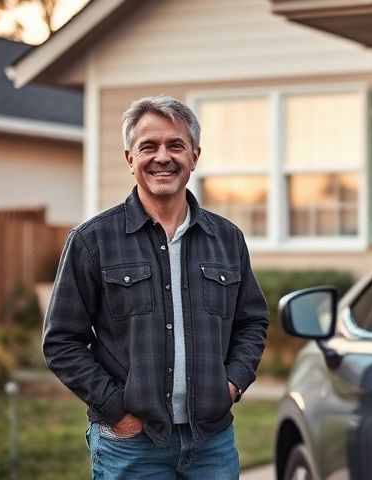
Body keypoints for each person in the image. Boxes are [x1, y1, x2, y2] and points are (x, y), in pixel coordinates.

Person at [43, 95, 269, 479]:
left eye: (175, 145)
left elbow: (252, 323)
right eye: (148, 146)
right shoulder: (92, 241)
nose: (162, 156)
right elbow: (61, 342)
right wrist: (118, 410)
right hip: (131, 446)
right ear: (130, 159)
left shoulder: (228, 239)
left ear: (194, 156)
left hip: (211, 444)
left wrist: (230, 385)